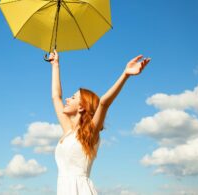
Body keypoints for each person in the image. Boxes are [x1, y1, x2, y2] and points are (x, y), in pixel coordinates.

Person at [49, 49, 151, 195]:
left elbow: (103, 103)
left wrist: (125, 75)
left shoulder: (90, 133)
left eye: (72, 97)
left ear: (82, 106)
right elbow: (56, 97)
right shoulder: (68, 131)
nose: (67, 99)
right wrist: (55, 65)